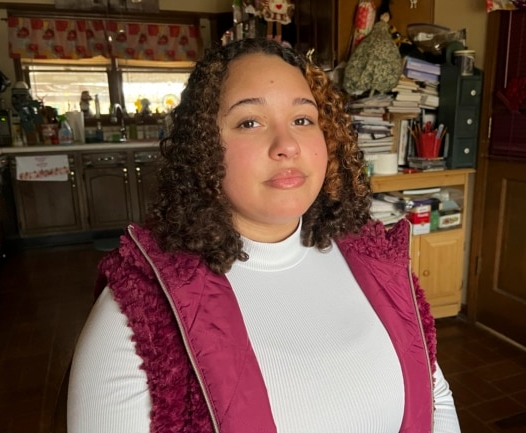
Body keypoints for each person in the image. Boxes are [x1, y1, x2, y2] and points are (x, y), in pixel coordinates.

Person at [67, 37, 461, 433]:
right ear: (203, 148)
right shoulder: (143, 310)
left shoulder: (377, 260)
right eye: (249, 122)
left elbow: (434, 398)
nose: (287, 145)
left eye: (303, 120)